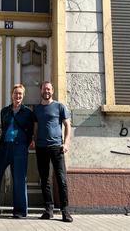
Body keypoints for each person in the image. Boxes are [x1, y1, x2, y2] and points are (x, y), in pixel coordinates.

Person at [0, 84, 35, 218]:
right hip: (4, 147)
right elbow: (3, 127)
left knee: (19, 179)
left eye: (20, 93)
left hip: (20, 148)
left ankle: (20, 211)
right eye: (15, 93)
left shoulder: (28, 112)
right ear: (11, 94)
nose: (18, 96)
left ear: (23, 95)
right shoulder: (5, 111)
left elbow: (31, 130)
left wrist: (26, 143)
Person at [33, 81, 73, 223]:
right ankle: (48, 210)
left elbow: (67, 125)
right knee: (45, 180)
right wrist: (34, 140)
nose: (47, 91)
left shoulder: (59, 106)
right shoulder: (36, 109)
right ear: (41, 91)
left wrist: (66, 143)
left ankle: (65, 211)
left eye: (49, 89)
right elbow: (36, 127)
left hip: (57, 147)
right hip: (41, 147)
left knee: (61, 179)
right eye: (44, 89)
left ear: (53, 90)